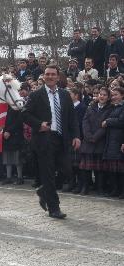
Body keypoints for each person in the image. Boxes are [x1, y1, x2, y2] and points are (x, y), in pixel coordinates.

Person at [22, 65, 81, 219]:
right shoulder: (36, 95)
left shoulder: (65, 95)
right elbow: (24, 114)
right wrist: (38, 124)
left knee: (67, 171)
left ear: (58, 76)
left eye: (53, 74)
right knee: (48, 174)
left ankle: (43, 191)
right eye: (47, 74)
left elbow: (72, 118)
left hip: (62, 138)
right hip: (44, 139)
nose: (50, 77)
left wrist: (76, 136)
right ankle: (54, 208)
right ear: (43, 76)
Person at [78, 87, 112, 195]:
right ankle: (85, 187)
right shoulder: (90, 107)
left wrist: (95, 137)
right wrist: (88, 135)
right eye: (100, 94)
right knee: (85, 168)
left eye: (104, 95)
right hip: (88, 141)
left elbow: (105, 127)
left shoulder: (110, 109)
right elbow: (85, 121)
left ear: (108, 97)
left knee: (99, 169)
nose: (101, 96)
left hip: (100, 141)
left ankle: (100, 188)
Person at [101, 87, 124, 198]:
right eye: (113, 95)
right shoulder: (113, 107)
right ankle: (115, 189)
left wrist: (108, 121)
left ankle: (121, 190)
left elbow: (121, 121)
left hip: (119, 140)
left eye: (116, 95)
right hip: (111, 140)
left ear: (122, 95)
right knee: (113, 169)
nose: (114, 97)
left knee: (120, 169)